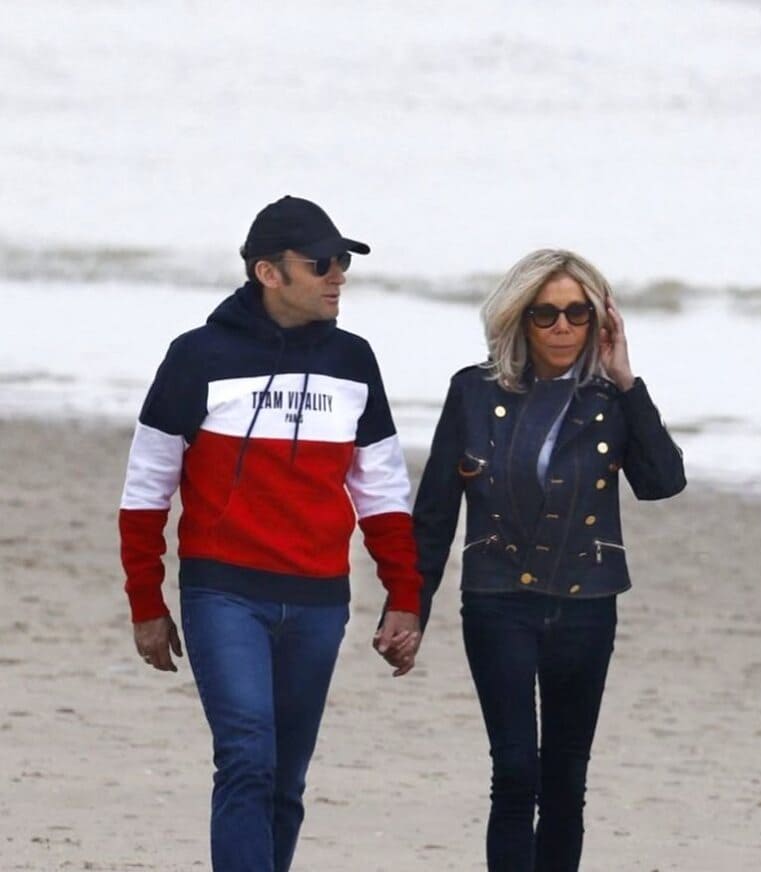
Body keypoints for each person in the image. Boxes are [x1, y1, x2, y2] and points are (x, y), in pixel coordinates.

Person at [117, 195, 422, 872]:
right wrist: (146, 603)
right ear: (268, 272)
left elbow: (382, 494)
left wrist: (405, 595)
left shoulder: (354, 361)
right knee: (247, 759)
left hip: (320, 600)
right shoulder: (197, 356)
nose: (337, 276)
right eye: (322, 263)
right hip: (223, 593)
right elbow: (145, 492)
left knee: (285, 781)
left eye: (343, 263)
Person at [412, 249, 687, 871]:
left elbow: (663, 482)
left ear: (598, 320)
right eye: (545, 314)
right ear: (519, 318)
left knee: (565, 780)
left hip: (587, 604)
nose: (563, 327)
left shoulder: (611, 398)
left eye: (577, 313)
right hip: (498, 598)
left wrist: (627, 379)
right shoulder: (473, 391)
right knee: (514, 772)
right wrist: (411, 607)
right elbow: (434, 512)